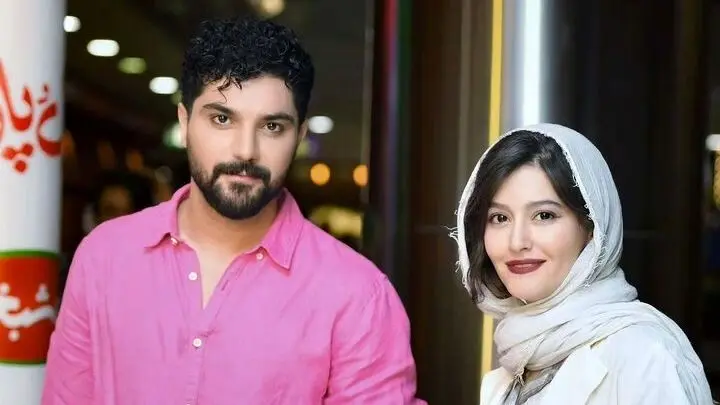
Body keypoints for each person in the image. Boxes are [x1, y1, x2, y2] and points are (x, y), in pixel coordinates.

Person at [43, 17, 423, 404]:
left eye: (272, 127)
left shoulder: (357, 296)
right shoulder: (104, 256)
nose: (245, 151)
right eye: (222, 119)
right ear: (185, 122)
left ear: (299, 137)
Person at [453, 123, 713, 404]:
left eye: (544, 215)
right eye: (500, 218)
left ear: (591, 227)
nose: (517, 242)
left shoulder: (643, 354)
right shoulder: (506, 375)